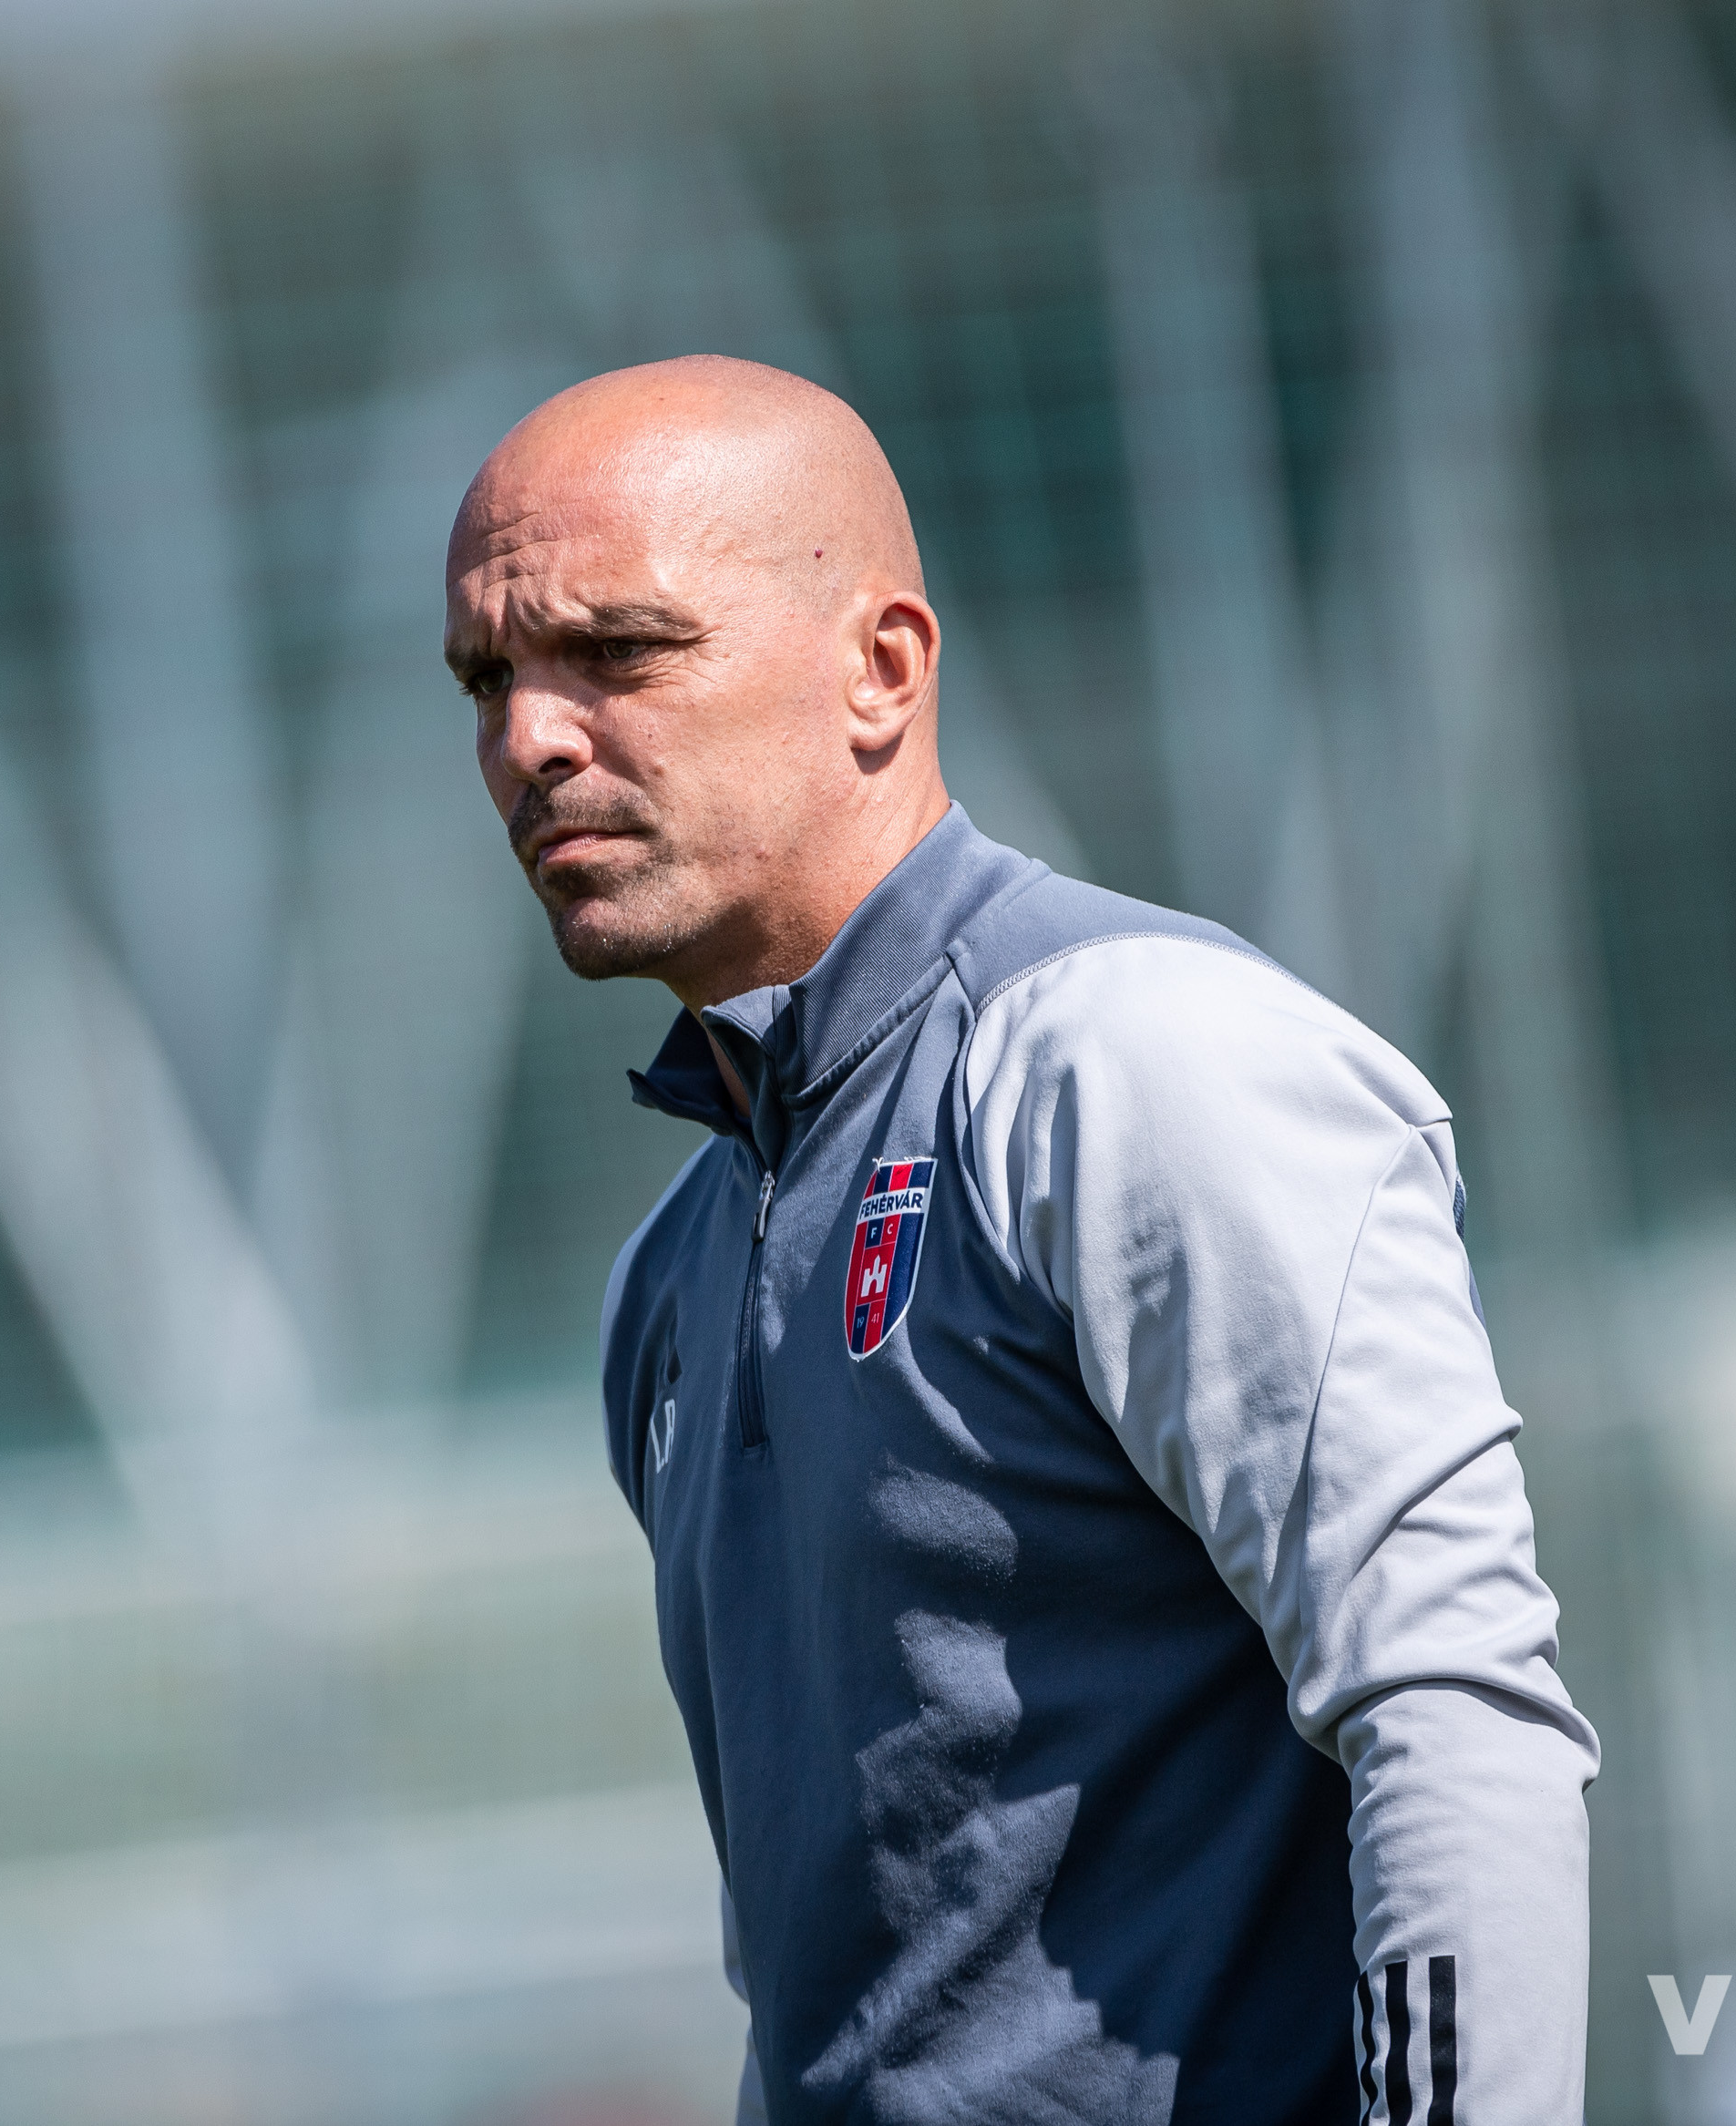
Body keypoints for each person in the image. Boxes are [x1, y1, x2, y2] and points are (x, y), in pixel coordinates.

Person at [447, 354, 1597, 2125]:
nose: (530, 738)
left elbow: (1451, 1710)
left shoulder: (1129, 1059)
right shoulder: (667, 1280)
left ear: (881, 669)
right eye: (488, 677)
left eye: (616, 650)